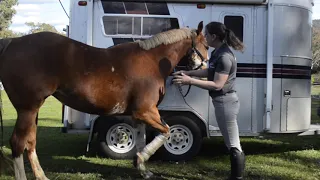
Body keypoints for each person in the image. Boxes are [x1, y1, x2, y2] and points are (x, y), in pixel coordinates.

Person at [172, 21, 245, 180]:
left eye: (206, 34)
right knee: (231, 144)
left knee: (233, 145)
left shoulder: (225, 56)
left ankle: (236, 177)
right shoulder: (218, 52)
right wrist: (189, 73)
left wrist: (189, 81)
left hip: (226, 102)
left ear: (213, 36)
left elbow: (217, 84)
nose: (203, 37)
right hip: (222, 102)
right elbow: (210, 71)